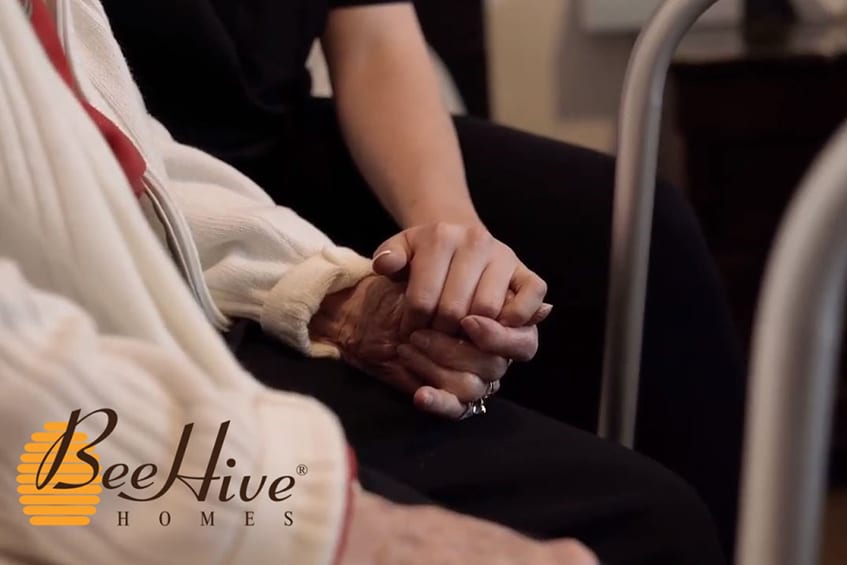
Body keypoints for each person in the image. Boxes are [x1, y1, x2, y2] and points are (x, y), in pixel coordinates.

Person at [0, 0, 726, 563]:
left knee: (631, 226)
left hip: (221, 187)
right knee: (634, 519)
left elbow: (377, 36)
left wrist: (449, 235)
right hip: (144, 220)